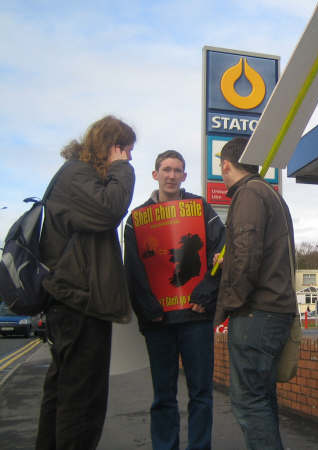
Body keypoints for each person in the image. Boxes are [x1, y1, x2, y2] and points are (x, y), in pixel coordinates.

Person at [36, 115, 136, 450]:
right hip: (79, 302)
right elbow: (110, 210)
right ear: (112, 146)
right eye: (126, 150)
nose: (129, 157)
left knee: (64, 394)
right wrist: (122, 169)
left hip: (74, 300)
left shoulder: (77, 177)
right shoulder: (77, 174)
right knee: (82, 403)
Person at [124, 150, 225, 450]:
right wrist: (148, 308)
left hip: (196, 316)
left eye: (177, 170)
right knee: (164, 396)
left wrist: (206, 294)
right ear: (155, 174)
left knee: (201, 394)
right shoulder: (136, 219)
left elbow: (221, 252)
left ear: (184, 176)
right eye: (166, 169)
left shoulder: (201, 208)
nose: (171, 175)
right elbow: (133, 270)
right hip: (158, 321)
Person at [214, 137, 296, 450]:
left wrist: (228, 305)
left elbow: (247, 256)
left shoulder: (248, 194)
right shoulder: (269, 194)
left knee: (249, 401)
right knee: (261, 399)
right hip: (274, 311)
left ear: (226, 165)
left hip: (256, 314)